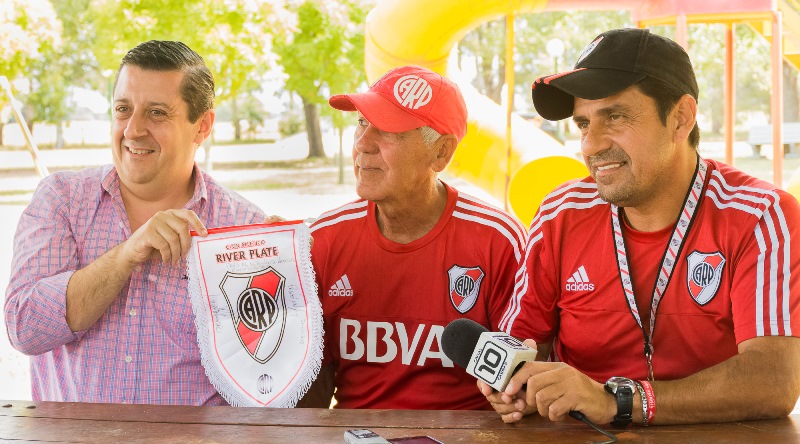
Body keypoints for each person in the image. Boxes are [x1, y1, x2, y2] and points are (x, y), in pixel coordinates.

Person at [481, 28, 800, 426]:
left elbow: (773, 380)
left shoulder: (760, 213)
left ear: (681, 118)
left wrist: (619, 401)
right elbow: (520, 346)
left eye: (614, 117)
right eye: (583, 123)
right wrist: (512, 384)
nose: (590, 145)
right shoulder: (560, 212)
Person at [4, 40, 265, 405]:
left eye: (157, 113)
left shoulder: (243, 226)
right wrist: (126, 255)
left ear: (202, 126)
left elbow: (263, 370)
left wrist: (291, 275)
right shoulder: (61, 199)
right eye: (123, 109)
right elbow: (25, 329)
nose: (133, 129)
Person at [304, 65, 527, 409]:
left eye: (388, 130)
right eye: (361, 123)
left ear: (441, 152)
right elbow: (310, 386)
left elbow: (519, 382)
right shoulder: (321, 240)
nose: (362, 145)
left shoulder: (497, 240)